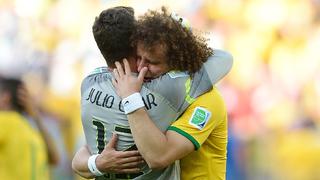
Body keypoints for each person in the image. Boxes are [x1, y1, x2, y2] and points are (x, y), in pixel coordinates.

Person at [72, 6, 232, 180]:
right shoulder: (144, 90)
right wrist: (97, 163)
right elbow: (83, 154)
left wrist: (131, 99)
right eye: (139, 57)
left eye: (152, 62)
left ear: (177, 59)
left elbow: (159, 156)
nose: (141, 68)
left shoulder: (206, 99)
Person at [0, 76, 59, 180]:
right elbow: (54, 159)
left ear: (6, 97)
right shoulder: (31, 131)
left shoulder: (4, 121)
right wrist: (36, 115)